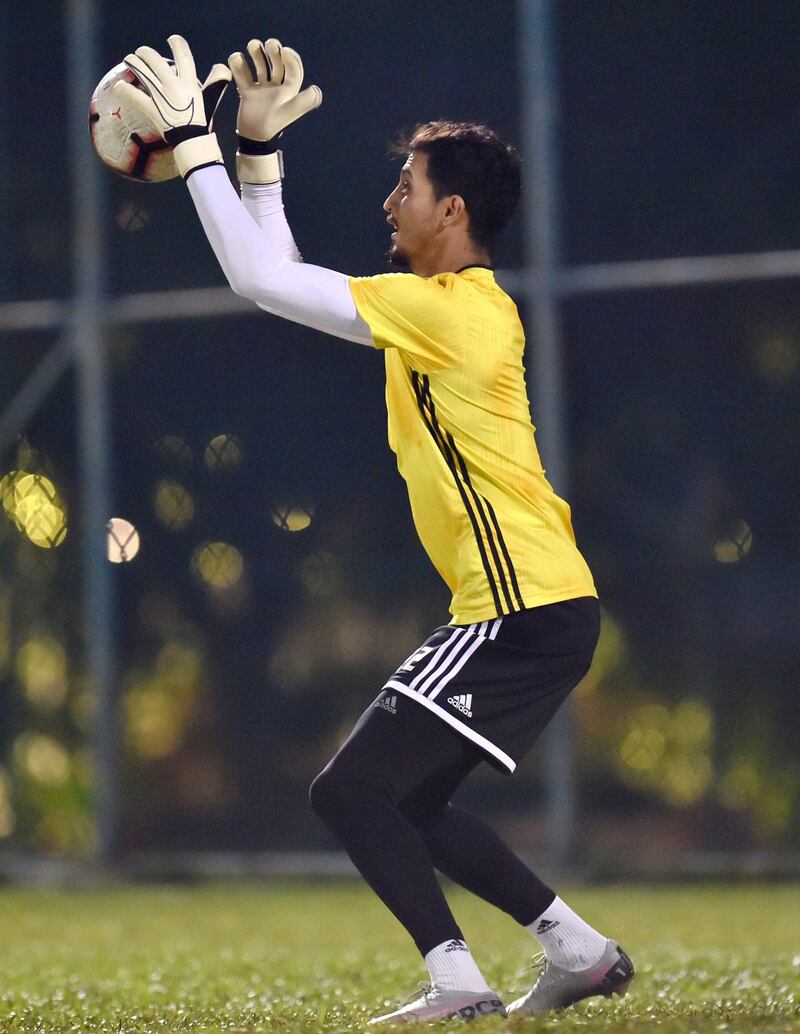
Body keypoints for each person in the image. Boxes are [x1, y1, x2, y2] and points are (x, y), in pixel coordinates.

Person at [116, 34, 635, 1025]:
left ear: (453, 211)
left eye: (406, 183)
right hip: (533, 603)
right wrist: (255, 152)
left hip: (519, 607)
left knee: (348, 793)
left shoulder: (453, 314)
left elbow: (259, 284)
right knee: (407, 804)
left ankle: (455, 981)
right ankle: (578, 949)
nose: (388, 200)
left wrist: (191, 141)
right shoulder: (445, 307)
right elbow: (278, 274)